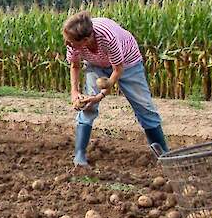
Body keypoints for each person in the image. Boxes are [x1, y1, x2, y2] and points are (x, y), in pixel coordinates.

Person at [63, 11, 168, 167]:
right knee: (87, 106)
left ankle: (164, 155)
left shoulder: (107, 37)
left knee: (145, 108)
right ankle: (79, 154)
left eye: (71, 42)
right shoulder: (72, 41)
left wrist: (101, 95)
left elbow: (117, 70)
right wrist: (74, 92)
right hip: (96, 64)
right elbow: (75, 65)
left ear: (85, 40)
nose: (67, 44)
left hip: (128, 63)